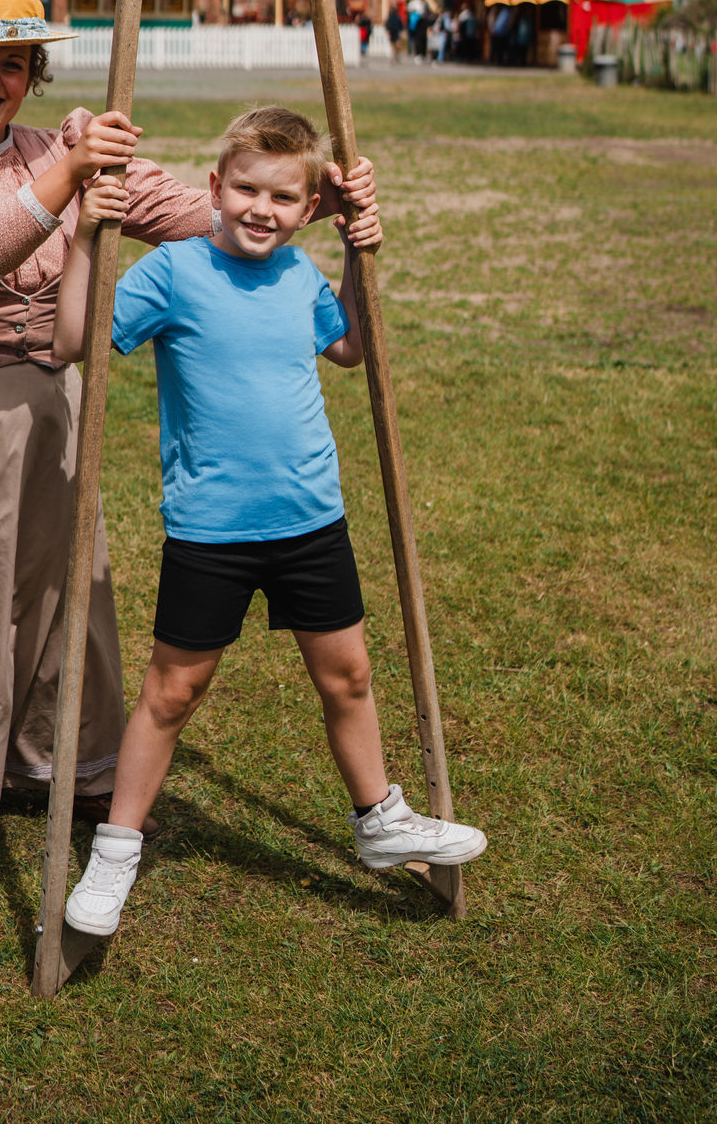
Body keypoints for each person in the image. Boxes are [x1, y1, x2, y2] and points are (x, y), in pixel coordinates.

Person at [0, 0, 380, 932]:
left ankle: (46, 776)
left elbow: (187, 208)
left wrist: (310, 196)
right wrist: (65, 182)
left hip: (44, 416)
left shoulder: (64, 144)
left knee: (54, 612)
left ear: (32, 77)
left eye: (13, 64)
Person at [53, 106, 487, 938]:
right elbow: (76, 339)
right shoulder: (173, 271)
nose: (261, 209)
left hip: (310, 519)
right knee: (173, 692)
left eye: (284, 198)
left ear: (309, 207)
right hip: (211, 528)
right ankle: (115, 850)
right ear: (213, 188)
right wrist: (82, 236)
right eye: (245, 189)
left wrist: (360, 254)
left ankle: (380, 821)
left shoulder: (297, 278)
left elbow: (351, 348)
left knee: (349, 677)